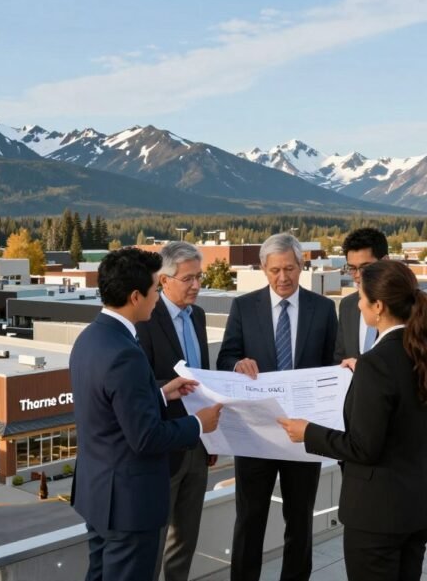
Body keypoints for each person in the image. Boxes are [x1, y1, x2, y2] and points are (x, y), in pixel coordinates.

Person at [278, 260, 427, 580]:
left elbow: (363, 447)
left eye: (361, 296)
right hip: (417, 504)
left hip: (377, 514)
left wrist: (307, 432)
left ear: (379, 306)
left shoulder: (377, 364)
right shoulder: (423, 354)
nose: (357, 303)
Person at [70, 247, 223, 581]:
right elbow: (145, 437)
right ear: (136, 296)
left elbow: (109, 407)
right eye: (156, 289)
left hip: (98, 496)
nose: (158, 297)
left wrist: (159, 393)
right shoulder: (126, 352)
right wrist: (199, 423)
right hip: (129, 505)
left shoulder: (90, 338)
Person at [216, 233, 338, 581]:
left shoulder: (323, 309)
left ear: (302, 266)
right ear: (262, 269)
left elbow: (332, 363)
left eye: (289, 268)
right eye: (274, 270)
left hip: (303, 436)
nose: (282, 277)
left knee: (300, 522)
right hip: (256, 434)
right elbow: (226, 356)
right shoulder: (243, 306)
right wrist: (237, 365)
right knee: (249, 520)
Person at [135, 241, 215, 581]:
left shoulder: (198, 315)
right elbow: (141, 387)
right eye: (188, 279)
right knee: (154, 544)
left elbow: (203, 375)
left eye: (199, 277)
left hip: (200, 443)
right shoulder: (144, 320)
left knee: (185, 539)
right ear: (164, 281)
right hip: (164, 449)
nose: (196, 285)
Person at [334, 228, 388, 362]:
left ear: (386, 261)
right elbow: (340, 359)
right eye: (352, 268)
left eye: (366, 267)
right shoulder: (347, 306)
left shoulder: (413, 305)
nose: (358, 275)